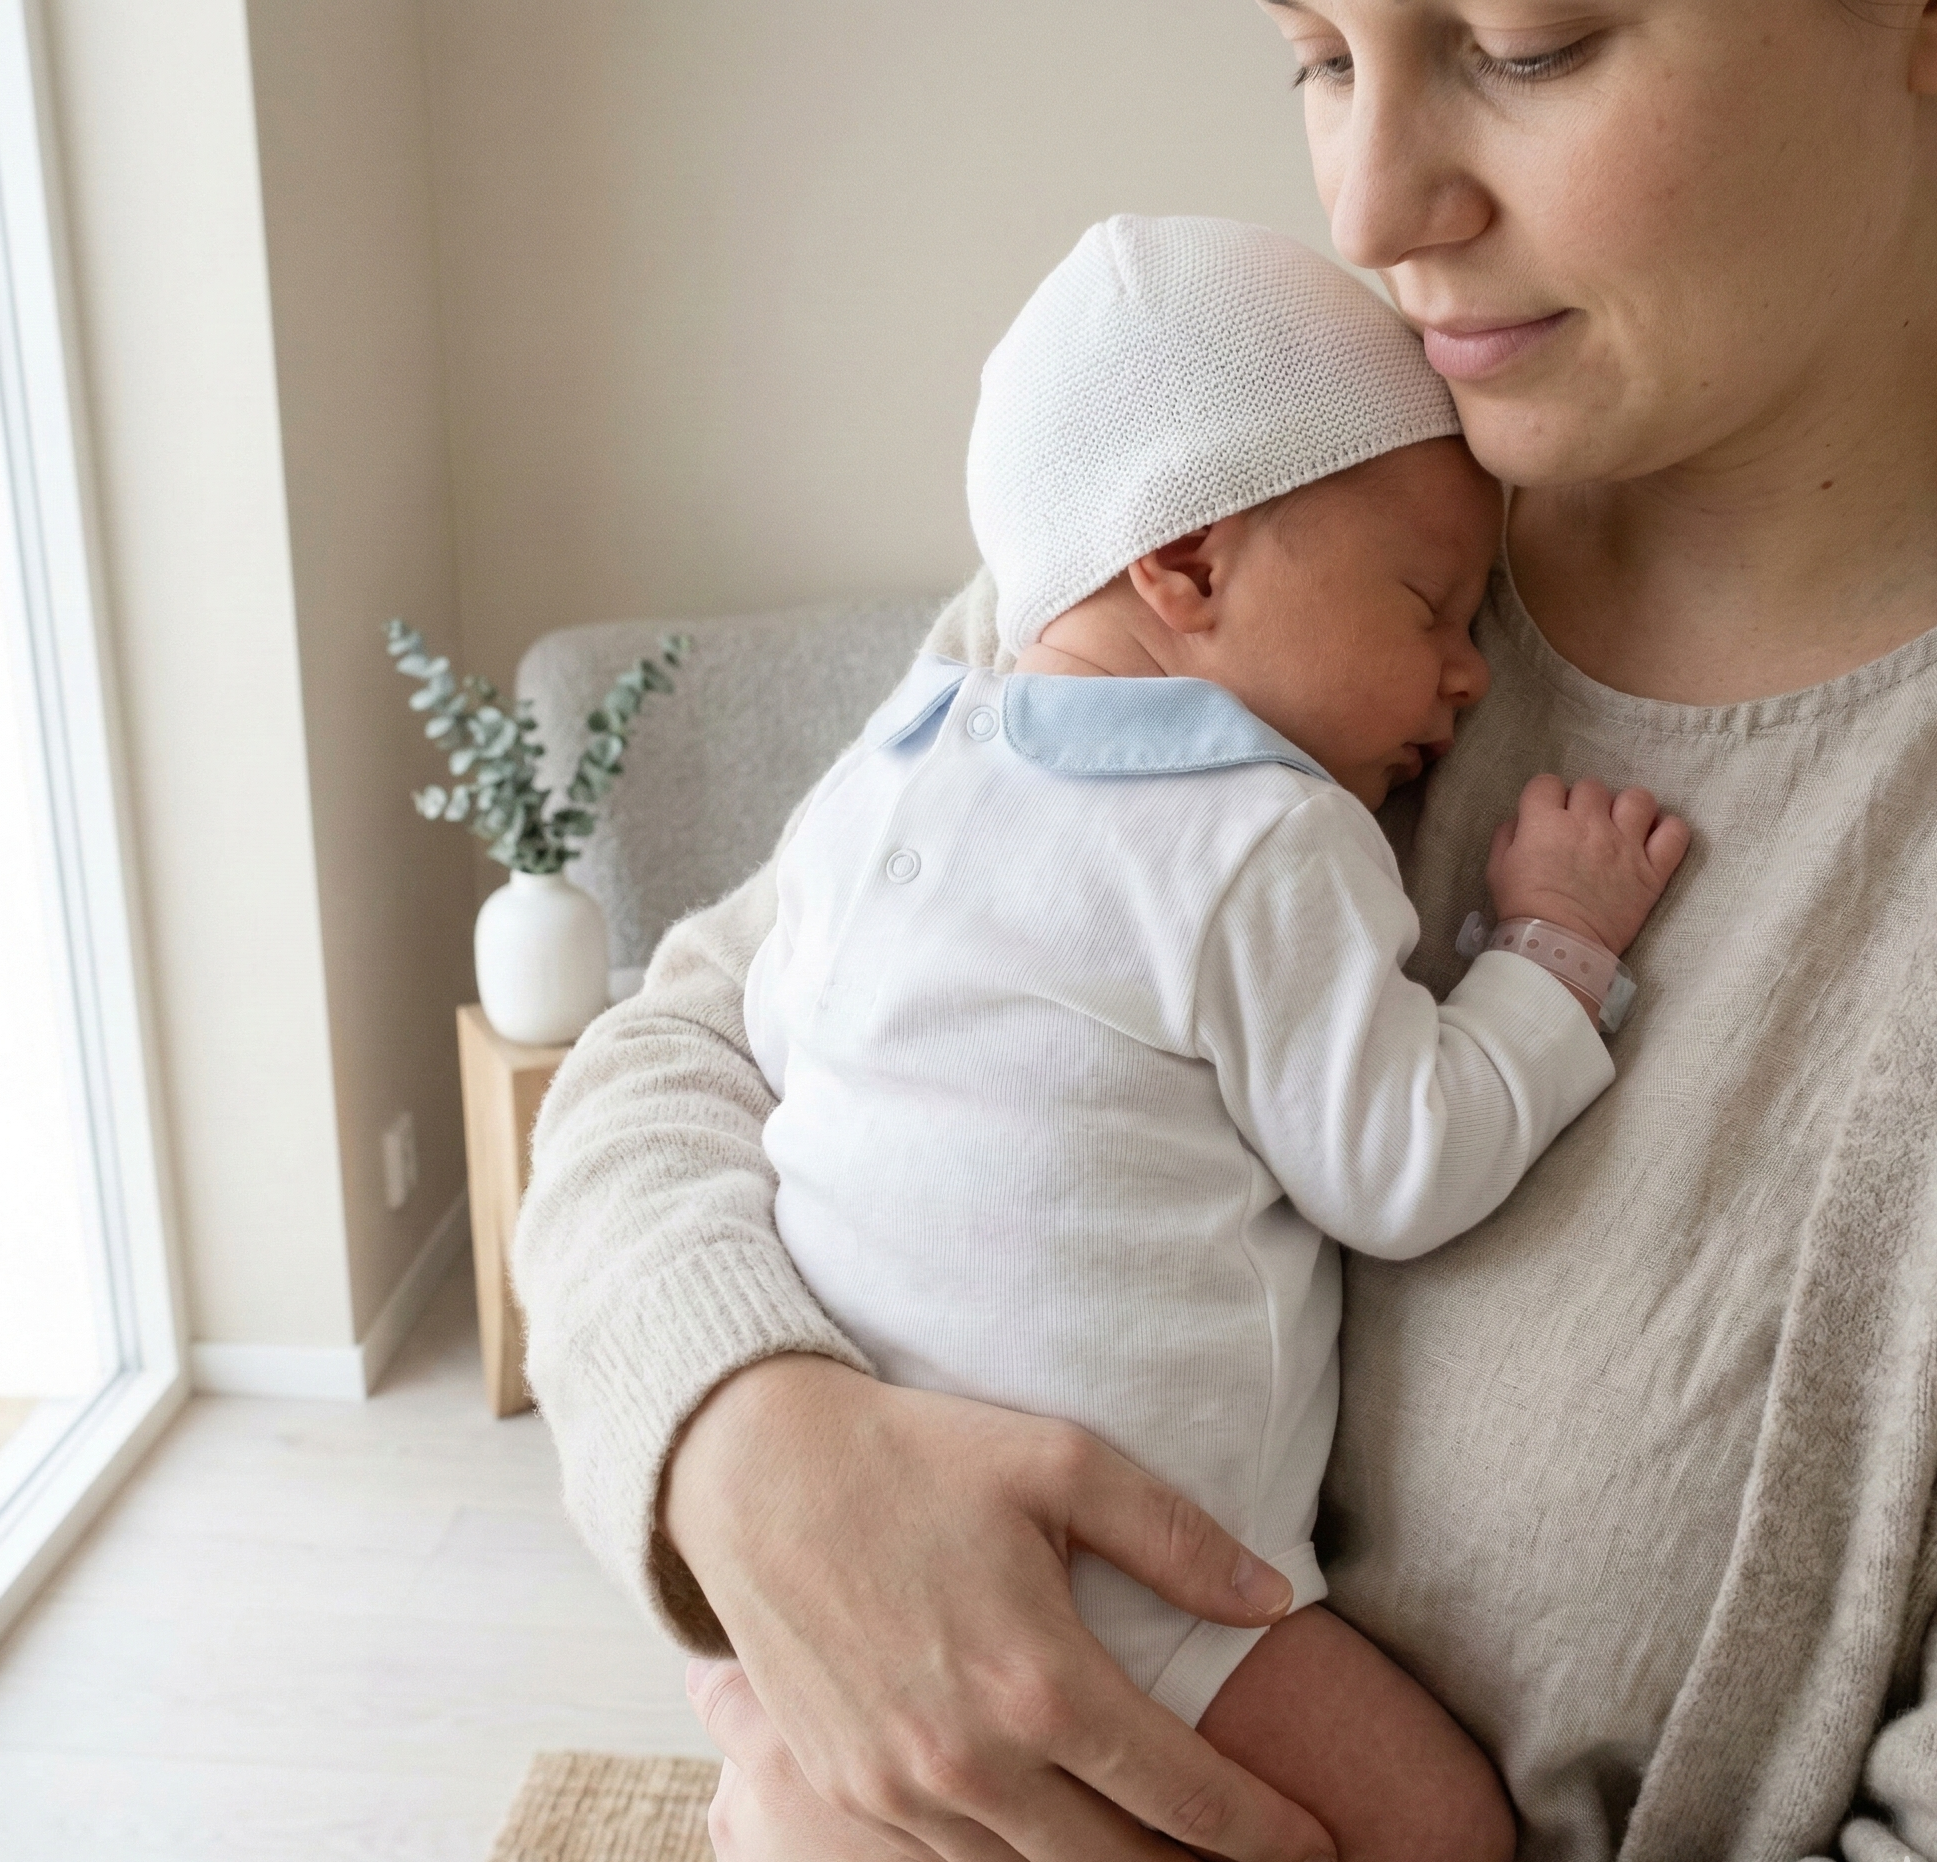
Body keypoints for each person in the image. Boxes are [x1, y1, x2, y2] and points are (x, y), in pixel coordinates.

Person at [512, 0, 1937, 1856]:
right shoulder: (1228, 518)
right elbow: (685, 1046)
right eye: (1321, 55)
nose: (1367, 211)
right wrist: (752, 1455)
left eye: (1530, 43)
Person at [746, 211, 1686, 1860]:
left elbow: (771, 1037)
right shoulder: (1259, 830)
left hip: (875, 1540)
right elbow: (1400, 1164)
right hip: (1154, 1580)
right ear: (1185, 567)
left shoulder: (886, 769)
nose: (1466, 676)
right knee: (1442, 1829)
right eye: (1432, 605)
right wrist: (1554, 947)